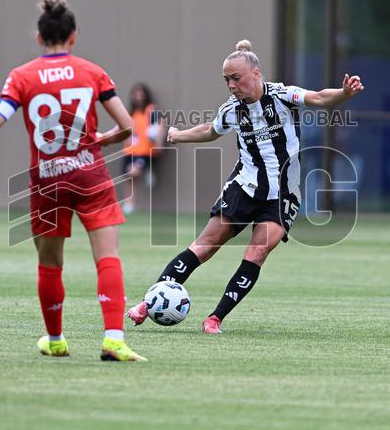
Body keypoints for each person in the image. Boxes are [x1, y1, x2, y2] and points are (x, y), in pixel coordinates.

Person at [128, 40, 365, 334]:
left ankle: (215, 318)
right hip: (245, 187)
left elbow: (318, 97)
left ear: (255, 73)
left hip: (283, 194)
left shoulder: (282, 95)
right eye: (226, 79)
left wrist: (343, 93)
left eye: (235, 77)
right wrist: (177, 136)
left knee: (257, 253)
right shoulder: (232, 110)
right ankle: (147, 302)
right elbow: (210, 131)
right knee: (203, 247)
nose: (230, 85)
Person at [0, 0, 146, 362]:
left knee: (50, 262)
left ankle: (56, 339)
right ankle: (113, 339)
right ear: (73, 36)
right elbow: (127, 128)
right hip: (90, 174)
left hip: (47, 181)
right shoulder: (93, 72)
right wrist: (102, 139)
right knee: (107, 257)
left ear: (38, 38)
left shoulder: (21, 76)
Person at [121, 83, 164, 215]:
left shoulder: (151, 110)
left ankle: (147, 169)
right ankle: (129, 204)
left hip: (144, 151)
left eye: (141, 94)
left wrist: (159, 142)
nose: (138, 97)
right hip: (130, 150)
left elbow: (160, 125)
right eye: (136, 94)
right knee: (129, 176)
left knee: (133, 173)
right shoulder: (131, 112)